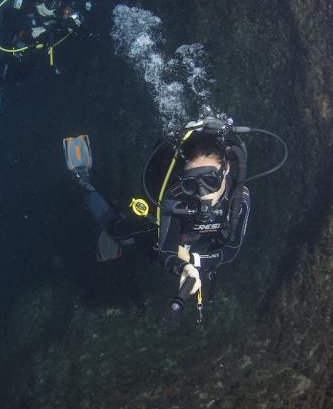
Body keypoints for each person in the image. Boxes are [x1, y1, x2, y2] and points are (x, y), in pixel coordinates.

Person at [62, 117, 279, 316]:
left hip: (194, 245)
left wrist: (193, 261)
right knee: (119, 233)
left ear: (227, 168)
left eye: (210, 181)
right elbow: (166, 250)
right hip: (161, 231)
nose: (204, 194)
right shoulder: (175, 196)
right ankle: (85, 183)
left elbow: (231, 249)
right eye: (192, 183)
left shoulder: (238, 199)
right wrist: (184, 266)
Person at [0, 0, 90, 81]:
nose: (55, 7)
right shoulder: (27, 14)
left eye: (56, 3)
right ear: (39, 4)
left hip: (34, 58)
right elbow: (22, 27)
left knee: (24, 77)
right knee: (7, 73)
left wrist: (74, 23)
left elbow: (63, 28)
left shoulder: (54, 17)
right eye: (51, 3)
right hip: (17, 54)